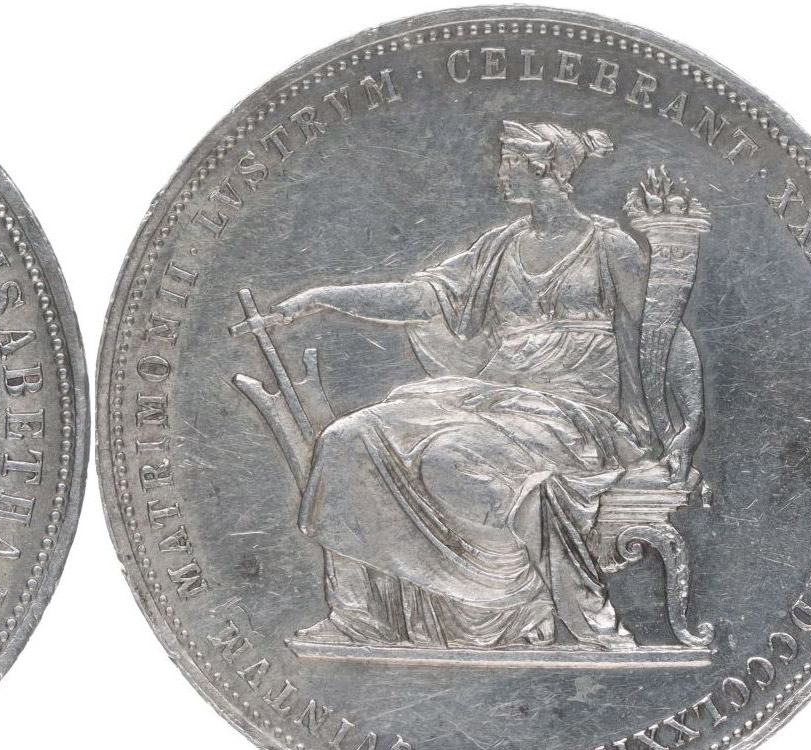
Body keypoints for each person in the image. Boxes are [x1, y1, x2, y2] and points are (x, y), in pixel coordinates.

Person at [273, 121, 667, 651]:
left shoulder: (610, 246)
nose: (501, 171)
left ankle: (542, 599)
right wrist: (323, 297)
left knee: (448, 457)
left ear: (545, 168)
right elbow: (421, 299)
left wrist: (662, 425)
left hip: (572, 410)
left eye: (511, 161)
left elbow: (651, 335)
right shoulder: (498, 247)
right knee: (348, 437)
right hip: (493, 398)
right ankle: (357, 616)